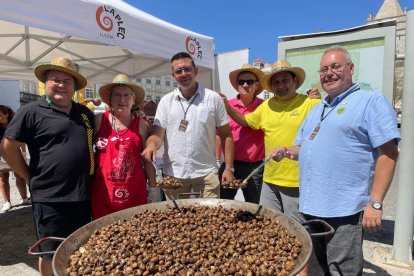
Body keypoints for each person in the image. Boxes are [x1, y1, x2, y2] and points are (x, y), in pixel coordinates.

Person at [269, 46, 400, 275]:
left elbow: (389, 153)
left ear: (350, 68)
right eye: (323, 69)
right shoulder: (317, 109)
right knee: (321, 269)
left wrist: (376, 203)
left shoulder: (370, 101)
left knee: (342, 271)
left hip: (345, 212)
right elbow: (304, 147)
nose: (328, 73)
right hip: (310, 208)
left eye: (335, 67)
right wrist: (286, 151)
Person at [0, 56, 94, 276]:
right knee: (49, 252)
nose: (61, 85)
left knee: (79, 248)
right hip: (50, 198)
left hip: (83, 195)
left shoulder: (85, 114)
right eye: (55, 79)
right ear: (46, 82)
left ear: (74, 86)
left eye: (67, 81)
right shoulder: (30, 111)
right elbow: (7, 147)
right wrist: (27, 175)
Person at [221, 60, 320, 223]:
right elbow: (246, 121)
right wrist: (226, 105)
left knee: (295, 225)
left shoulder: (310, 103)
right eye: (276, 81)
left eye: (285, 80)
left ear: (295, 81)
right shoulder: (266, 106)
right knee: (268, 222)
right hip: (270, 178)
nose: (281, 85)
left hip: (295, 180)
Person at [142, 52, 234, 200]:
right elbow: (157, 134)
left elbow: (226, 135)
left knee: (210, 220)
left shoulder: (213, 99)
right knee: (176, 221)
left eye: (187, 69)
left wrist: (229, 168)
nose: (183, 74)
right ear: (173, 76)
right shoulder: (166, 101)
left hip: (206, 174)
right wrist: (151, 145)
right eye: (178, 71)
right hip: (174, 175)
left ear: (195, 71)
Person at [91, 74, 156, 220]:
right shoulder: (98, 120)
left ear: (133, 99)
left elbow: (148, 159)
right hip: (102, 193)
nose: (122, 99)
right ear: (110, 99)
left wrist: (152, 188)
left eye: (127, 95)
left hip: (134, 192)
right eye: (117, 95)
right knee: (102, 236)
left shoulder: (142, 124)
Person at [216, 64, 265, 204]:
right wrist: (217, 160)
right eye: (241, 81)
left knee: (254, 206)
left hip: (254, 167)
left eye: (249, 82)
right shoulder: (227, 104)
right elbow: (219, 135)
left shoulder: (264, 106)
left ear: (256, 85)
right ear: (236, 85)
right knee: (224, 204)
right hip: (230, 164)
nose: (245, 84)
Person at [0, 105, 30, 212]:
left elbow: (20, 139)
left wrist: (23, 153)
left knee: (20, 175)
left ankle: (24, 198)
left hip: (15, 152)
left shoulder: (14, 122)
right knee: (3, 176)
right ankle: (7, 202)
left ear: (7, 114)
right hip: (1, 154)